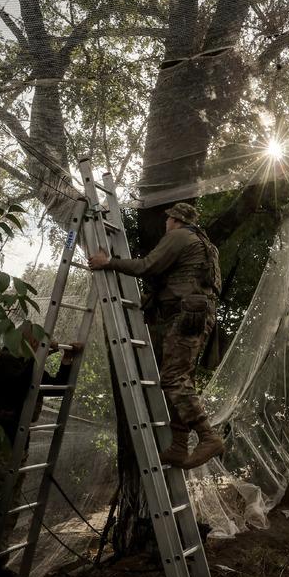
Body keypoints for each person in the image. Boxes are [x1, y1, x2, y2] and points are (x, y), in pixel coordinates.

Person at [87, 201, 224, 470]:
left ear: (175, 219)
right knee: (181, 379)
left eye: (168, 220)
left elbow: (148, 265)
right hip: (197, 314)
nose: (165, 224)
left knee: (173, 378)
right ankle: (179, 445)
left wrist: (108, 262)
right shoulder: (207, 245)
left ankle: (208, 436)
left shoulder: (180, 236)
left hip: (186, 314)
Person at [0, 322, 82, 577]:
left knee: (7, 510)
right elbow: (22, 382)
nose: (37, 348)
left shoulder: (25, 364)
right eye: (35, 343)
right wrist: (47, 352)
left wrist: (66, 359)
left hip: (13, 448)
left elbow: (52, 388)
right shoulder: (3, 363)